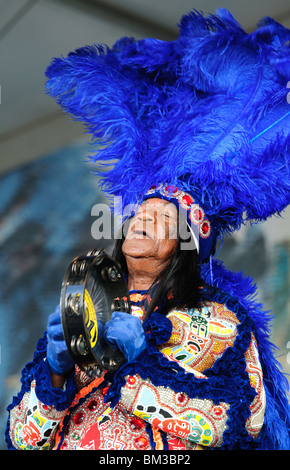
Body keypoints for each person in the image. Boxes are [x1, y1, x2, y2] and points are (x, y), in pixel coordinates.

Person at [6, 9, 290, 450]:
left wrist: (140, 364)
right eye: (140, 215)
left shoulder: (217, 322)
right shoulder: (85, 306)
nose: (142, 221)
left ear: (186, 245)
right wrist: (55, 371)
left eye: (161, 220)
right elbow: (22, 438)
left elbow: (234, 423)